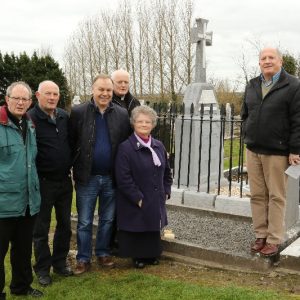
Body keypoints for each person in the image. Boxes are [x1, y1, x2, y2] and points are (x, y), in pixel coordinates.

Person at [241, 47, 300, 257]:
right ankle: (261, 235)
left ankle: (274, 239)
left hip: (277, 151)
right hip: (253, 149)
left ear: (280, 61)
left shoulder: (293, 85)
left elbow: (297, 120)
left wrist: (295, 149)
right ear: (259, 63)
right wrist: (246, 134)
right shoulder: (252, 84)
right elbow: (245, 114)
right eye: (263, 58)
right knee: (257, 195)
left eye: (271, 57)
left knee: (276, 196)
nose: (267, 61)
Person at [69, 74, 131, 274]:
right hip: (87, 177)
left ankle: (103, 253)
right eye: (101, 90)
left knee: (107, 219)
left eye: (108, 90)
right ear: (93, 90)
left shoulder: (122, 114)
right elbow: (72, 143)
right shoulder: (78, 112)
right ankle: (83, 258)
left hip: (111, 177)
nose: (105, 94)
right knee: (85, 221)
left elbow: (126, 144)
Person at [115, 105, 173, 268]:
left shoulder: (159, 146)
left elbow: (167, 171)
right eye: (140, 121)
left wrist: (166, 191)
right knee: (138, 225)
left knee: (151, 227)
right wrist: (137, 198)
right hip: (137, 198)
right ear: (133, 123)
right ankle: (138, 256)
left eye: (148, 122)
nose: (144, 124)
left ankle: (151, 255)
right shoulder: (126, 148)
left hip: (156, 196)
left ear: (153, 124)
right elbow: (123, 178)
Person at [28, 81, 73, 287]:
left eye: (55, 94)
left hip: (64, 182)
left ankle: (60, 263)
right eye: (48, 93)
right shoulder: (30, 119)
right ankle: (43, 269)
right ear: (38, 95)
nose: (52, 97)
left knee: (65, 225)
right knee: (41, 228)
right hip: (42, 183)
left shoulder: (64, 116)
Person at [0, 82, 43, 298]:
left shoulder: (29, 124)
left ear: (30, 102)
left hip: (28, 200)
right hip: (3, 203)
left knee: (23, 249)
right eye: (15, 98)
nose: (20, 102)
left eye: (24, 99)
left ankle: (22, 286)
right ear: (7, 99)